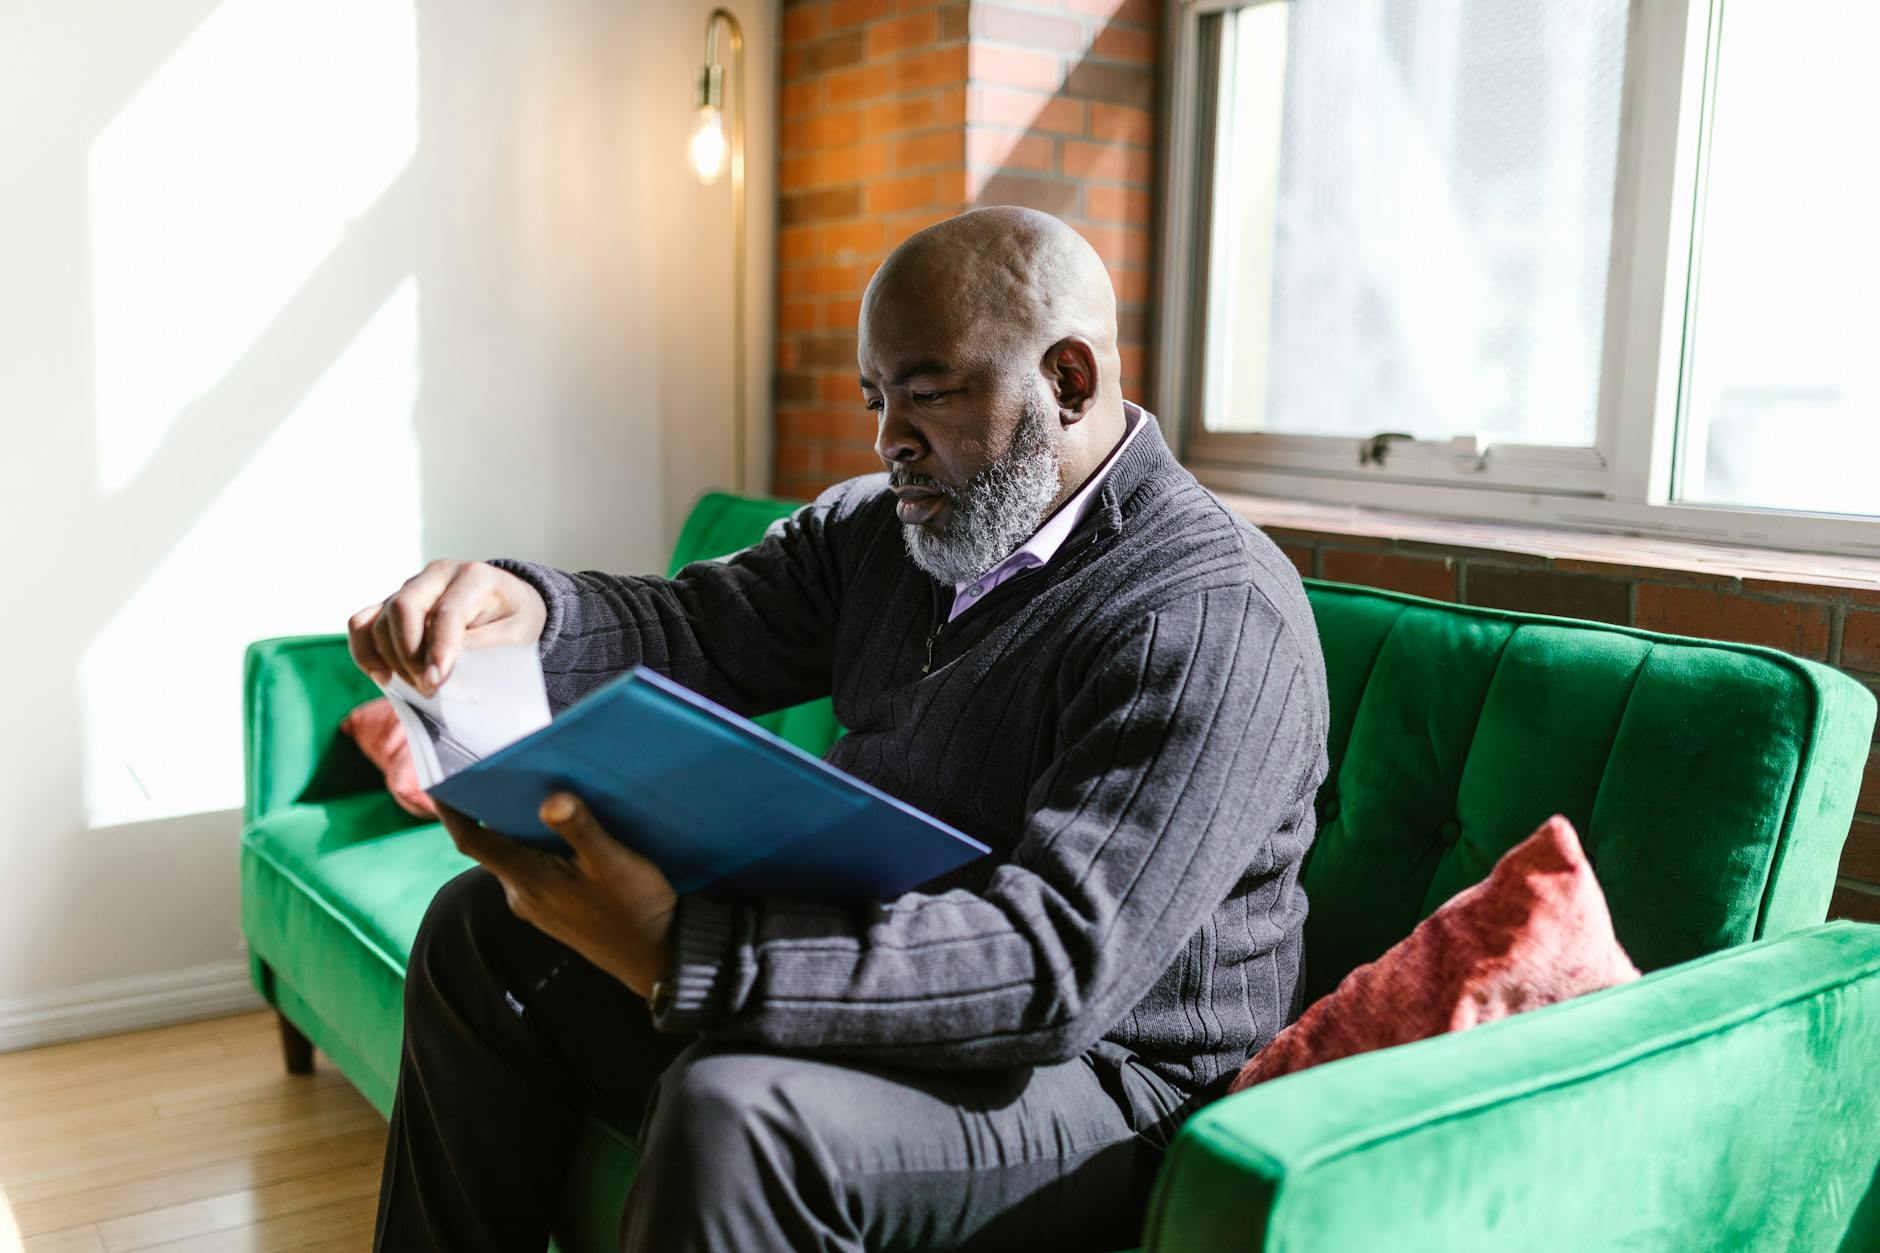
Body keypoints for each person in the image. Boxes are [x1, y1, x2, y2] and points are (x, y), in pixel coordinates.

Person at [350, 206, 1329, 1252]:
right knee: (481, 931)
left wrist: (692, 951)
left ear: (1069, 381)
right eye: (876, 397)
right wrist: (526, 609)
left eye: (929, 390)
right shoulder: (885, 532)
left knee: (741, 1116)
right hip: (888, 970)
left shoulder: (1209, 610)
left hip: (1106, 1084)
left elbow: (1061, 960)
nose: (886, 438)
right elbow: (698, 625)